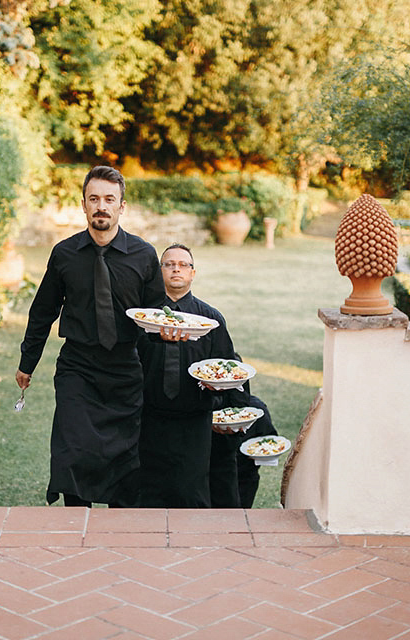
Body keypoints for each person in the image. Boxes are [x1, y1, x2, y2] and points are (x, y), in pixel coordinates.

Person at [15, 166, 176, 507]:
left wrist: (168, 341)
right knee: (73, 448)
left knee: (124, 456)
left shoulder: (144, 255)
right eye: (94, 199)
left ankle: (118, 533)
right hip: (78, 367)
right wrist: (27, 362)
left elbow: (156, 315)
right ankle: (78, 525)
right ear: (83, 205)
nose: (101, 206)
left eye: (109, 199)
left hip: (124, 370)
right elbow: (43, 311)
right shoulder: (64, 254)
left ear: (122, 206)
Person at [137, 243, 241, 508]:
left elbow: (228, 364)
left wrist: (225, 395)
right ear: (159, 272)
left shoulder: (210, 319)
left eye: (183, 265)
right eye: (169, 264)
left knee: (191, 493)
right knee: (148, 493)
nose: (176, 269)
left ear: (193, 273)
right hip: (148, 418)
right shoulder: (142, 316)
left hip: (195, 420)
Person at [210, 383, 279, 508]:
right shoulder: (208, 413)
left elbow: (270, 441)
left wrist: (262, 454)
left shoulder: (257, 410)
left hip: (244, 475)